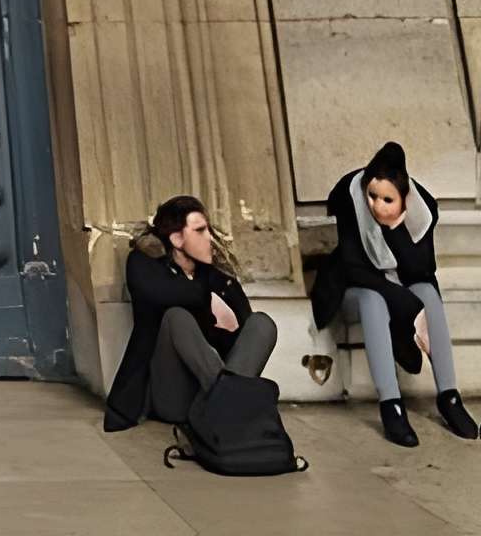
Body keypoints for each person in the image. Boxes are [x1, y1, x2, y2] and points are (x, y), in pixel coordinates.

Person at [311, 138, 478, 448]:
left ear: (405, 200)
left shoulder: (422, 211)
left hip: (400, 288)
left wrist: (395, 228)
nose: (376, 205)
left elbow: (421, 270)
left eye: (388, 200)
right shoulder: (353, 198)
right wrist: (403, 302)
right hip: (354, 288)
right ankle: (391, 405)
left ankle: (449, 398)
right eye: (372, 196)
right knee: (375, 300)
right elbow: (353, 267)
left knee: (426, 292)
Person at [103, 194, 278, 431]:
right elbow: (165, 295)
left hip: (207, 391)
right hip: (174, 397)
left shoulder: (209, 273)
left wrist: (225, 290)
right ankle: (230, 405)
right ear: (176, 238)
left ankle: (224, 405)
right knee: (177, 317)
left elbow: (244, 320)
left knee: (262, 324)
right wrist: (207, 297)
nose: (210, 237)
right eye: (200, 231)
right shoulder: (143, 264)